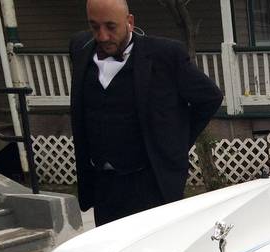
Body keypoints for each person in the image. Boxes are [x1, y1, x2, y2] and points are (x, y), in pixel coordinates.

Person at [70, 0, 223, 226]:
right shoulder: (79, 48)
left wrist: (176, 143)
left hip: (150, 184)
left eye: (111, 27)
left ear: (129, 22)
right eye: (95, 27)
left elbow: (210, 98)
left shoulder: (165, 55)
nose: (102, 36)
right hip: (103, 185)